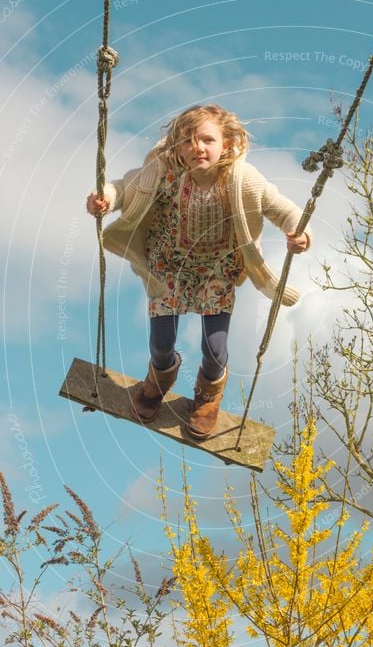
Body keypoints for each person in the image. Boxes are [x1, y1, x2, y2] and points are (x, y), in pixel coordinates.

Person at [86, 103, 311, 439]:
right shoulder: (162, 172)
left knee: (214, 347)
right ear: (177, 147)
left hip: (217, 270)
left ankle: (208, 397)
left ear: (227, 144)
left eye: (207, 139)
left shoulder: (243, 179)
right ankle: (158, 379)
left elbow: (285, 210)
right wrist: (103, 198)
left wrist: (300, 232)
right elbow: (121, 187)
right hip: (169, 268)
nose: (198, 148)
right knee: (161, 344)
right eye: (188, 141)